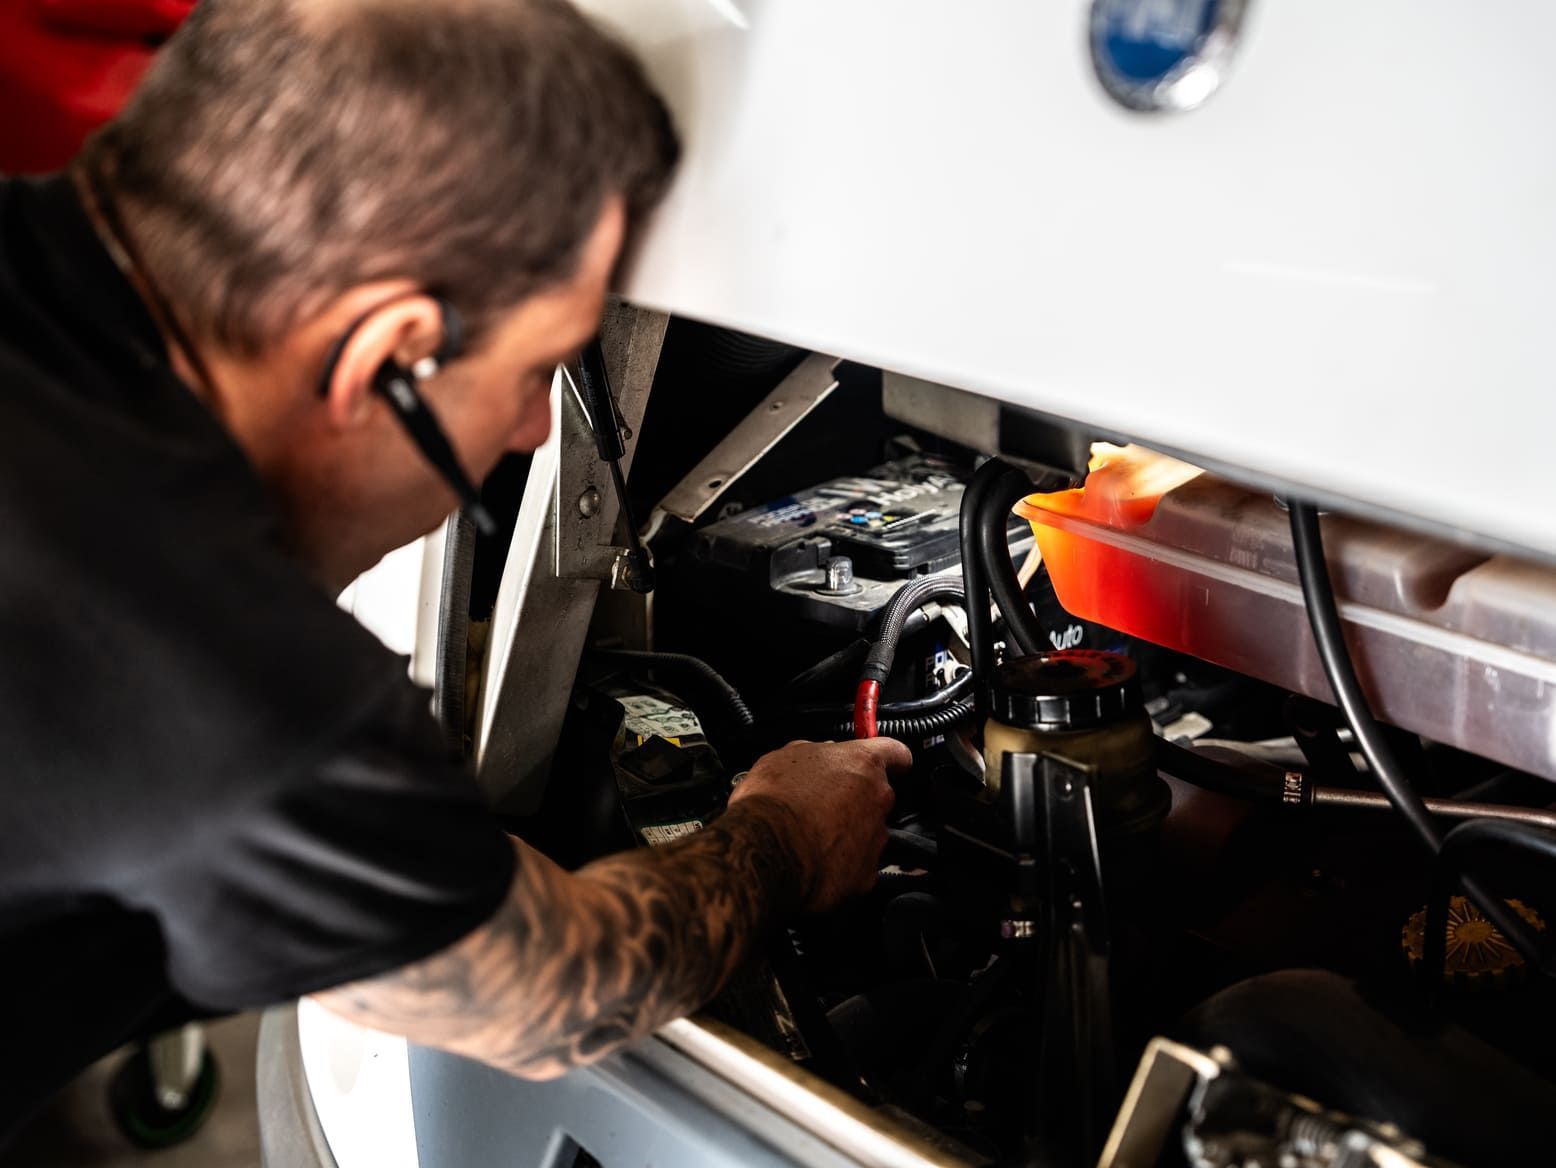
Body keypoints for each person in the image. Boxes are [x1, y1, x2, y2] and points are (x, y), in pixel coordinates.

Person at [0, 0, 909, 1140]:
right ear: (386, 354)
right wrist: (784, 834)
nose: (534, 428)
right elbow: (557, 989)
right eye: (538, 368)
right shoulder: (208, 676)